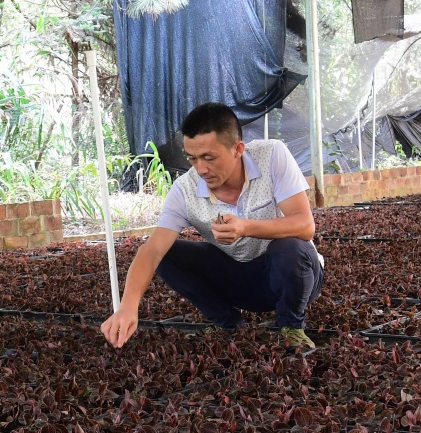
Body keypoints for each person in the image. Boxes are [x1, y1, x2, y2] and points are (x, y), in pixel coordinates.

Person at [100, 102, 324, 350]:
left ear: (238, 149)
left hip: (294, 277)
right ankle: (229, 323)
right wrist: (128, 307)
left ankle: (291, 327)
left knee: (290, 247)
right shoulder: (185, 190)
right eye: (193, 159)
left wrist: (245, 227)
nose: (201, 169)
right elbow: (151, 250)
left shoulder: (272, 156)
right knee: (167, 254)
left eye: (209, 158)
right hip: (239, 280)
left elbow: (305, 225)